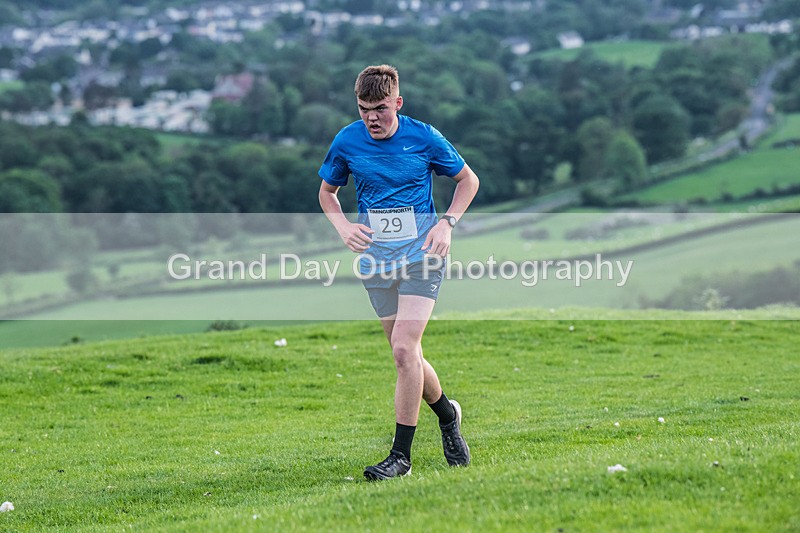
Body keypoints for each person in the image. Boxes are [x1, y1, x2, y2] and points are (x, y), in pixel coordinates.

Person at [318, 64, 480, 481]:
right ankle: (447, 415)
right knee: (405, 354)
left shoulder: (423, 136)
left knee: (405, 350)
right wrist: (343, 226)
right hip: (376, 261)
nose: (371, 117)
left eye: (380, 109)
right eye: (363, 108)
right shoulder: (347, 140)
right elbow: (327, 193)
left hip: (423, 254)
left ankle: (401, 458)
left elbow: (468, 180)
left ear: (398, 103)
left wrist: (447, 223)